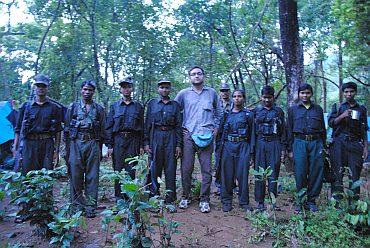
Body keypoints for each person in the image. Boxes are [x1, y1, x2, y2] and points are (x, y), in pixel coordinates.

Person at [175, 66, 223, 213]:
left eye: (199, 74)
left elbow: (219, 113)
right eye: (193, 74)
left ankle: (204, 200)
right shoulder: (183, 94)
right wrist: (179, 128)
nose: (196, 76)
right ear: (190, 77)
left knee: (207, 170)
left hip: (206, 136)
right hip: (188, 135)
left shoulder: (212, 93)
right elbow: (174, 111)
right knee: (186, 168)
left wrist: (215, 129)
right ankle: (186, 196)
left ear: (203, 76)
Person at [65, 80, 106, 218]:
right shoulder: (73, 107)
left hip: (93, 143)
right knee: (75, 174)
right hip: (76, 143)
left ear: (93, 92)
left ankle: (90, 206)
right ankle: (76, 205)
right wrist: (67, 150)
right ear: (81, 90)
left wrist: (102, 149)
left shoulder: (99, 109)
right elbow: (66, 129)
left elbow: (103, 129)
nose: (87, 92)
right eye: (85, 89)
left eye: (90, 90)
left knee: (92, 176)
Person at [287, 83, 326, 213]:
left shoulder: (318, 109)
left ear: (311, 94)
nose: (305, 95)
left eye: (307, 93)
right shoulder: (293, 110)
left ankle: (312, 200)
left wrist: (323, 146)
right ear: (299, 94)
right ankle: (300, 201)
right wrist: (290, 149)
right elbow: (289, 130)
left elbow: (323, 130)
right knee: (300, 172)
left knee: (316, 172)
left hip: (316, 142)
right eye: (302, 93)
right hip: (299, 142)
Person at [13, 74, 63, 175]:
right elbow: (18, 129)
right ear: (34, 87)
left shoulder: (55, 108)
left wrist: (56, 152)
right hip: (29, 144)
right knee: (27, 174)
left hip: (47, 144)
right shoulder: (25, 107)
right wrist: (15, 147)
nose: (41, 88)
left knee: (46, 175)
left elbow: (58, 132)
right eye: (38, 86)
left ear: (47, 88)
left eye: (43, 86)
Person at [106, 77, 144, 202]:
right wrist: (109, 146)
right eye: (124, 87)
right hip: (118, 140)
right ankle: (119, 198)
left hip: (133, 140)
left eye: (128, 87)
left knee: (131, 168)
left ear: (132, 88)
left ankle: (129, 198)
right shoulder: (114, 107)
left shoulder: (138, 106)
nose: (126, 89)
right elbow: (109, 126)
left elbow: (142, 127)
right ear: (120, 89)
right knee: (118, 169)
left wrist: (142, 145)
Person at [144, 79, 182, 204]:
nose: (164, 90)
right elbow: (147, 124)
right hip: (156, 135)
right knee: (155, 167)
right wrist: (147, 142)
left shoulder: (175, 105)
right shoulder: (152, 104)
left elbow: (178, 126)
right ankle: (153, 196)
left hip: (170, 136)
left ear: (170, 89)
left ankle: (170, 198)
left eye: (166, 87)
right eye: (162, 87)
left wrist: (178, 144)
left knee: (171, 167)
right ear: (158, 89)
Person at [328, 82, 368, 200]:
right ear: (343, 93)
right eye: (346, 92)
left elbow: (364, 129)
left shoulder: (361, 109)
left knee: (354, 174)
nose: (349, 94)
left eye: (351, 91)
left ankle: (354, 202)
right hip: (339, 143)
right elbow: (331, 123)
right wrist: (342, 116)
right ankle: (337, 201)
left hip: (355, 144)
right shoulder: (338, 106)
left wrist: (366, 147)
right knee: (337, 172)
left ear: (355, 92)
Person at [216, 89, 254, 212]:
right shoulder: (226, 114)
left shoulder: (248, 115)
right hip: (227, 146)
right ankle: (226, 201)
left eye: (240, 96)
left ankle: (244, 202)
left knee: (242, 174)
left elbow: (253, 134)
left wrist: (251, 152)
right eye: (235, 96)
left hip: (243, 146)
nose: (237, 98)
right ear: (232, 98)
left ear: (244, 98)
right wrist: (219, 150)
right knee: (226, 174)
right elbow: (220, 133)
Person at [253, 85, 286, 211]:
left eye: (270, 97)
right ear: (261, 97)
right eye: (265, 97)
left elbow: (283, 131)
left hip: (274, 143)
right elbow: (253, 132)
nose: (267, 100)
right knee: (260, 173)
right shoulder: (256, 111)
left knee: (273, 173)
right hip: (260, 143)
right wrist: (253, 150)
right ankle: (260, 202)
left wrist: (283, 148)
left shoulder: (278, 111)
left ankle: (272, 201)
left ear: (273, 98)